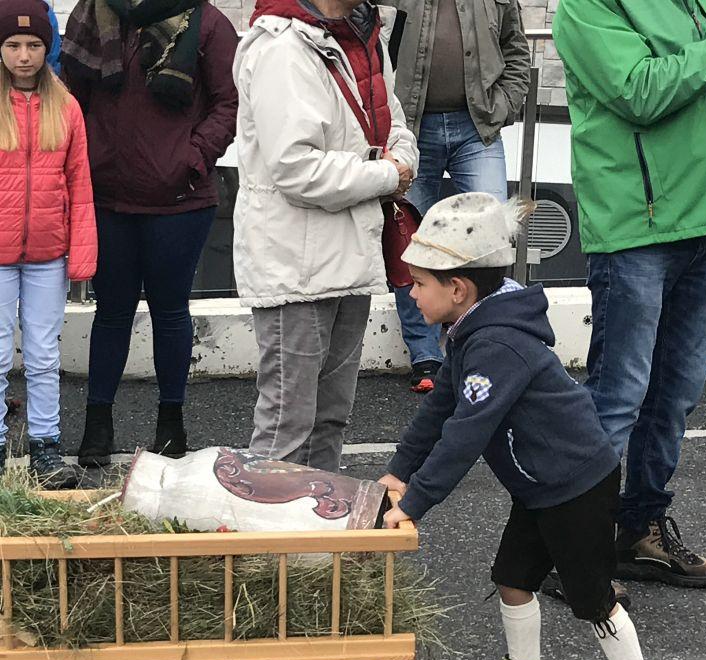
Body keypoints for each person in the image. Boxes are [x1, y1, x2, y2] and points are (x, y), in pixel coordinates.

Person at [379, 192, 672, 660]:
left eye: (418, 283)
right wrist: (399, 471)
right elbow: (441, 405)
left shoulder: (496, 344)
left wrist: (415, 502)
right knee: (512, 578)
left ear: (457, 288)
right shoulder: (470, 328)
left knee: (591, 597)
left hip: (575, 485)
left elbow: (466, 434)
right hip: (540, 485)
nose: (410, 291)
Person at [552, 0, 706, 587]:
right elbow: (641, 91)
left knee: (675, 394)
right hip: (636, 227)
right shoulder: (587, 7)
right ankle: (571, 550)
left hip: (703, 225)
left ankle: (638, 529)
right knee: (618, 397)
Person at [232, 0, 418, 472]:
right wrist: (386, 173)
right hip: (295, 261)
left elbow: (392, 121)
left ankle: (316, 535)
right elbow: (296, 170)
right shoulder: (281, 46)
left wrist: (399, 161)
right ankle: (275, 541)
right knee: (288, 422)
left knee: (330, 417)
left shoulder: (359, 31)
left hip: (348, 251)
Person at [61, 0, 238, 466]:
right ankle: (97, 425)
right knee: (111, 313)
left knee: (170, 312)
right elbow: (70, 99)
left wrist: (193, 157)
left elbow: (228, 102)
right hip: (106, 195)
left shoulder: (207, 22)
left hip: (180, 200)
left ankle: (170, 424)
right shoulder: (93, 15)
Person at [379, 0, 529, 393]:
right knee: (413, 243)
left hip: (476, 127)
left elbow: (515, 48)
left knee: (490, 238)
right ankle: (426, 356)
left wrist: (506, 105)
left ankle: (488, 347)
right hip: (412, 129)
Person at [0, 0, 96, 488]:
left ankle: (45, 446)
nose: (23, 55)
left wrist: (81, 253)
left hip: (46, 257)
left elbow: (80, 187)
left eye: (34, 44)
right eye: (13, 45)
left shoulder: (66, 106)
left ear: (48, 47)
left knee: (42, 355)